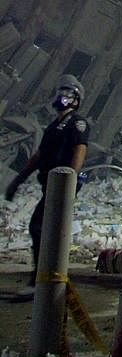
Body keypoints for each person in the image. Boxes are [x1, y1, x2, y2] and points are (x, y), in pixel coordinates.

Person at [4, 75, 90, 297]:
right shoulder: (53, 126)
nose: (62, 96)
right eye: (61, 91)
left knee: (40, 227)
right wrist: (18, 179)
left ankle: (42, 282)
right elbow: (40, 155)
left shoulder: (77, 122)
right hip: (49, 183)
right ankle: (43, 279)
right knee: (43, 228)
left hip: (61, 184)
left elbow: (80, 149)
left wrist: (70, 178)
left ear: (76, 99)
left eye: (68, 93)